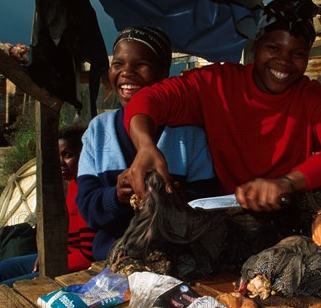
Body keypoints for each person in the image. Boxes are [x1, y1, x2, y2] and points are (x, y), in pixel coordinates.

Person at [122, 0, 321, 212]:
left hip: (291, 212)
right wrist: (145, 145)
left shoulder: (311, 97)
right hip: (229, 215)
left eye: (298, 54)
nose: (283, 62)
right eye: (273, 47)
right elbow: (149, 99)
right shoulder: (217, 83)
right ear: (255, 46)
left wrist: (287, 183)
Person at [76, 25, 219, 261]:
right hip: (112, 262)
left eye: (139, 65)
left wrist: (176, 198)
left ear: (163, 74)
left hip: (177, 262)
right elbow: (88, 206)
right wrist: (117, 196)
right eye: (118, 64)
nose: (126, 72)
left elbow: (209, 202)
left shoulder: (189, 135)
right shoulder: (98, 130)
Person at [0, 126, 96, 287]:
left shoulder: (88, 191)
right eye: (57, 155)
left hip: (76, 266)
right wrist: (48, 255)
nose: (60, 162)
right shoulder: (72, 184)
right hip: (62, 256)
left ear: (85, 155)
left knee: (7, 286)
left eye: (67, 155)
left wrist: (51, 264)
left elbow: (88, 256)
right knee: (1, 269)